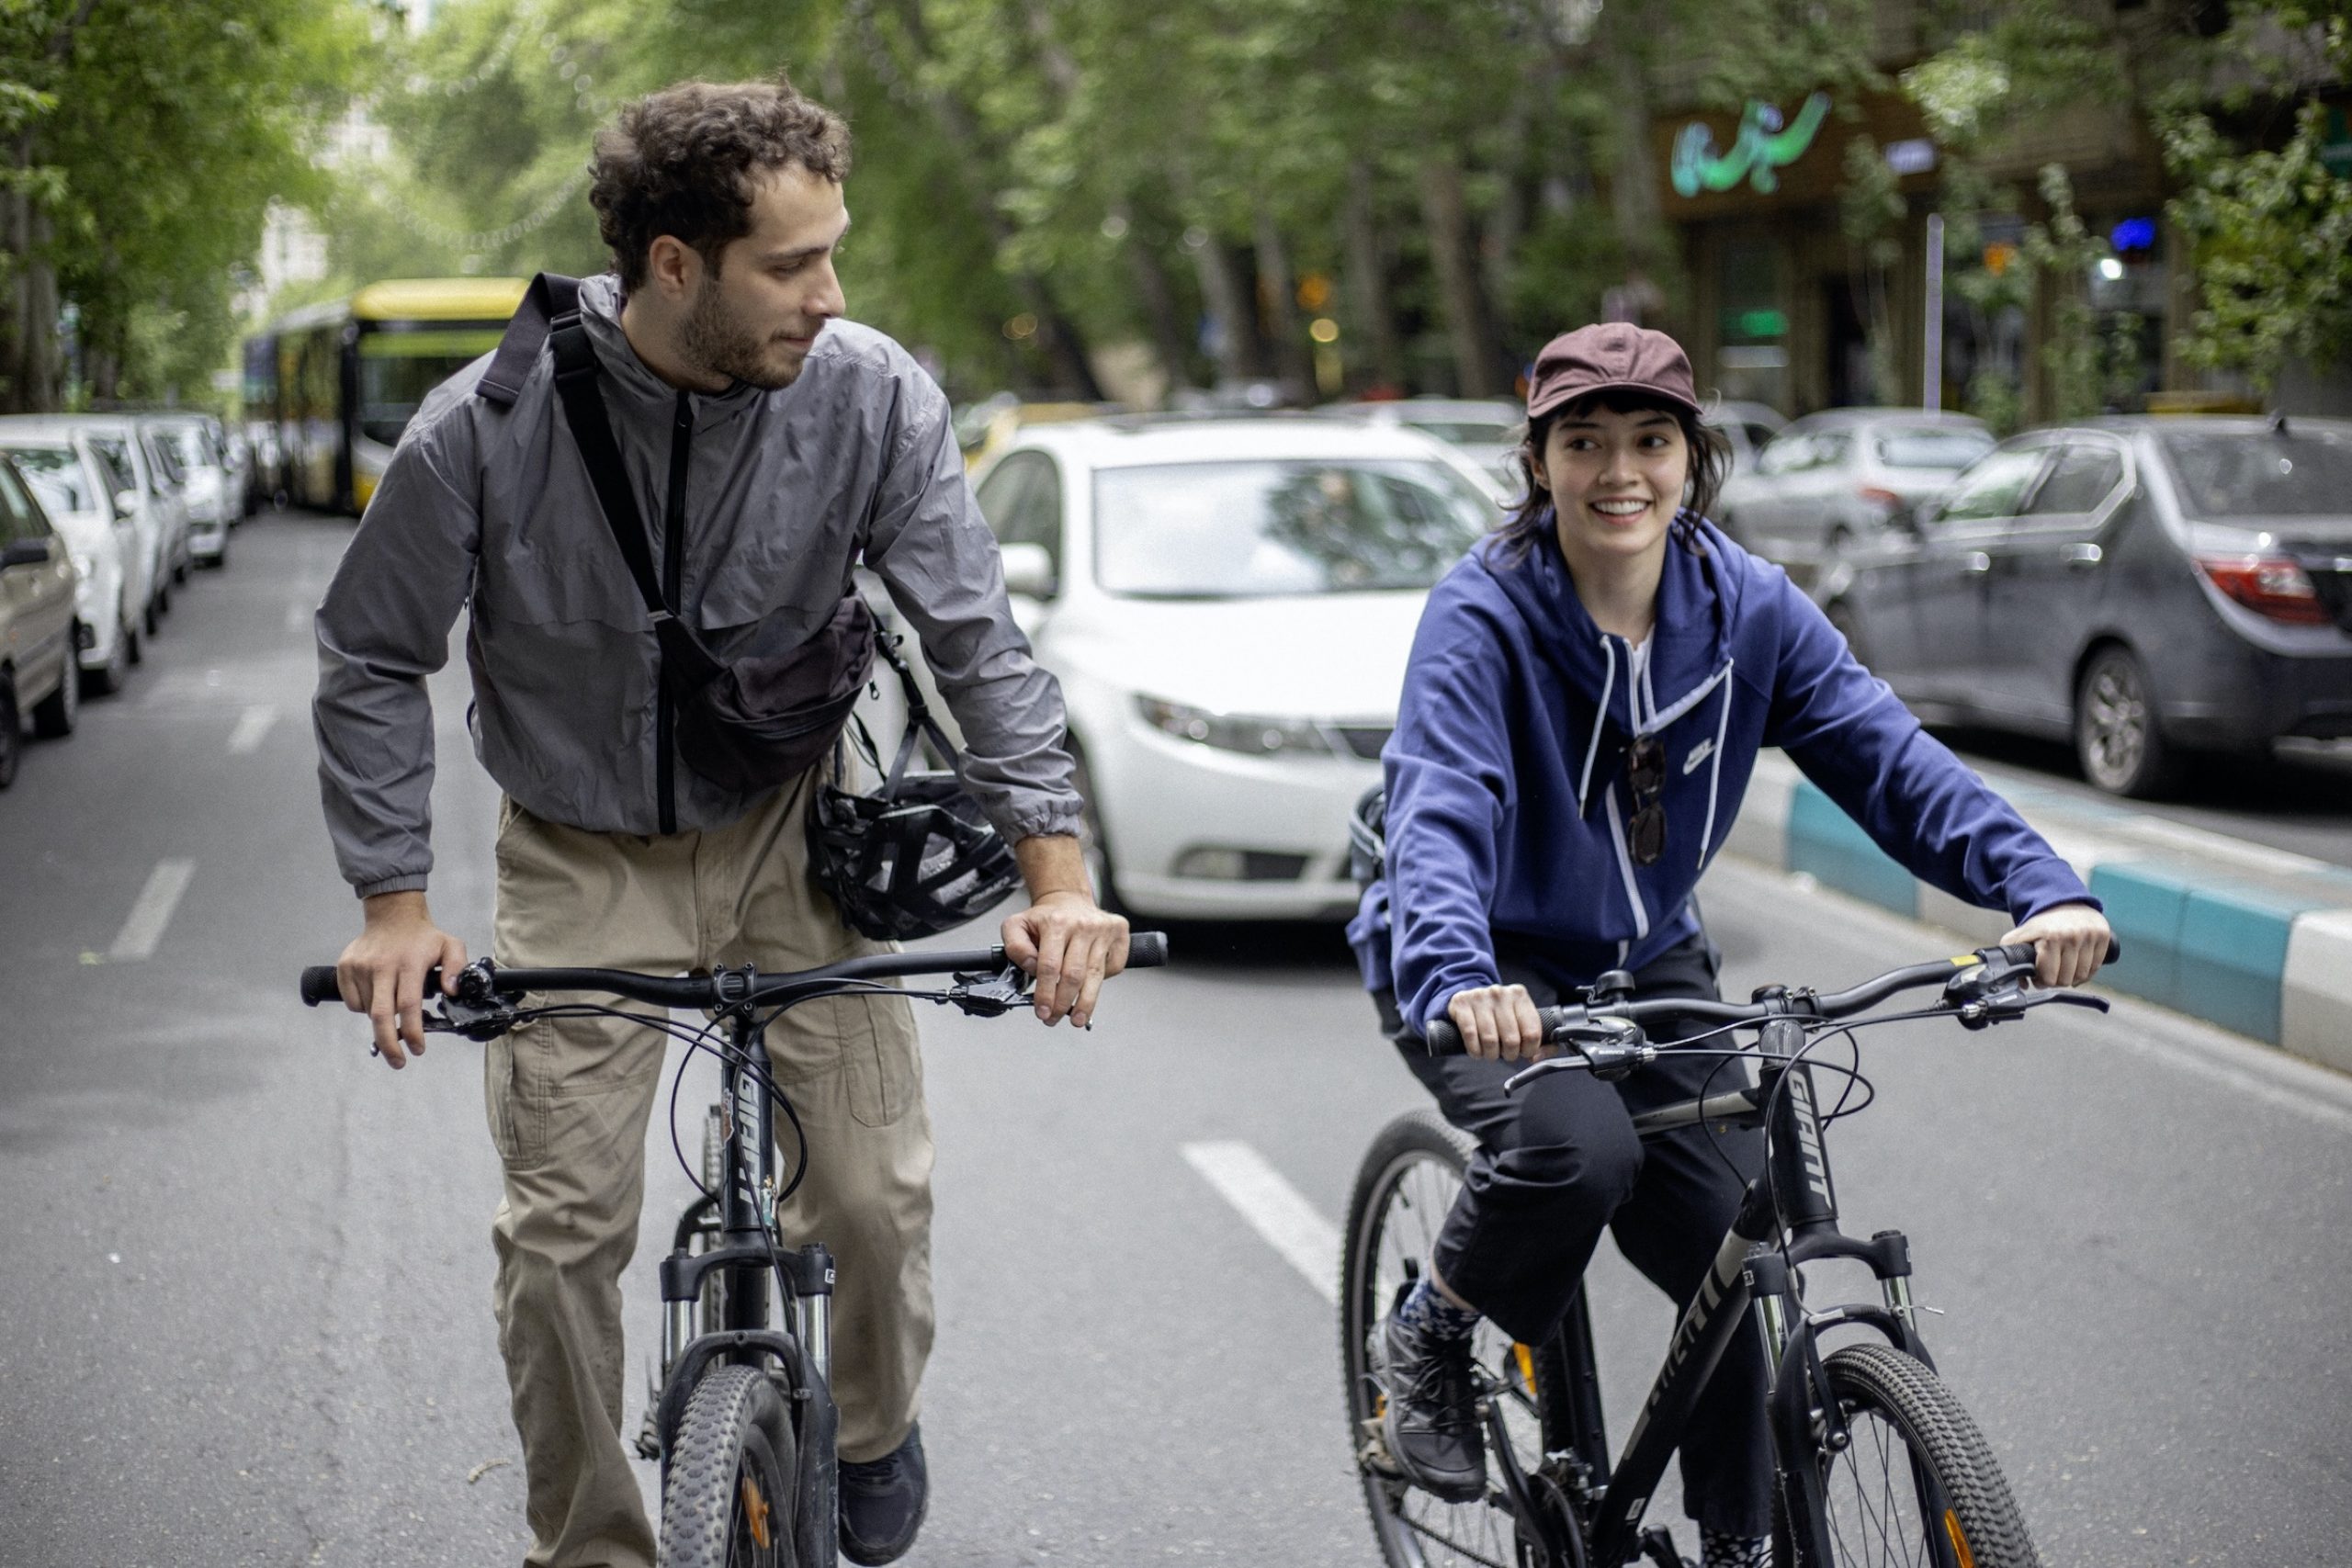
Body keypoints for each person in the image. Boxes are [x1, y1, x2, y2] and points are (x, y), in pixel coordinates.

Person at [312, 76, 1129, 1568]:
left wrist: (1057, 878)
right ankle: (597, 1547)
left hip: (789, 831)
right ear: (674, 264)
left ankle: (870, 1428)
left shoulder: (872, 392)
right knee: (557, 1240)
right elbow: (374, 653)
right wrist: (393, 905)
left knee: (875, 1201)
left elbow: (975, 639)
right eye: (792, 264)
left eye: (836, 254)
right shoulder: (480, 431)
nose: (832, 295)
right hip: (578, 849)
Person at [1347, 322, 2110, 1568]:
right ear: (1539, 461)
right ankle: (1431, 1334)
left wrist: (2038, 887)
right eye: (1583, 442)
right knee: (1574, 1149)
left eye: (1650, 441)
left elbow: (1885, 755)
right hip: (1486, 960)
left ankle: (1738, 1550)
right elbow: (1440, 802)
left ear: (1693, 460)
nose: (1618, 473)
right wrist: (1458, 972)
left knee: (1734, 1275)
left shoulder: (1746, 608)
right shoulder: (1481, 611)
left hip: (1652, 969)